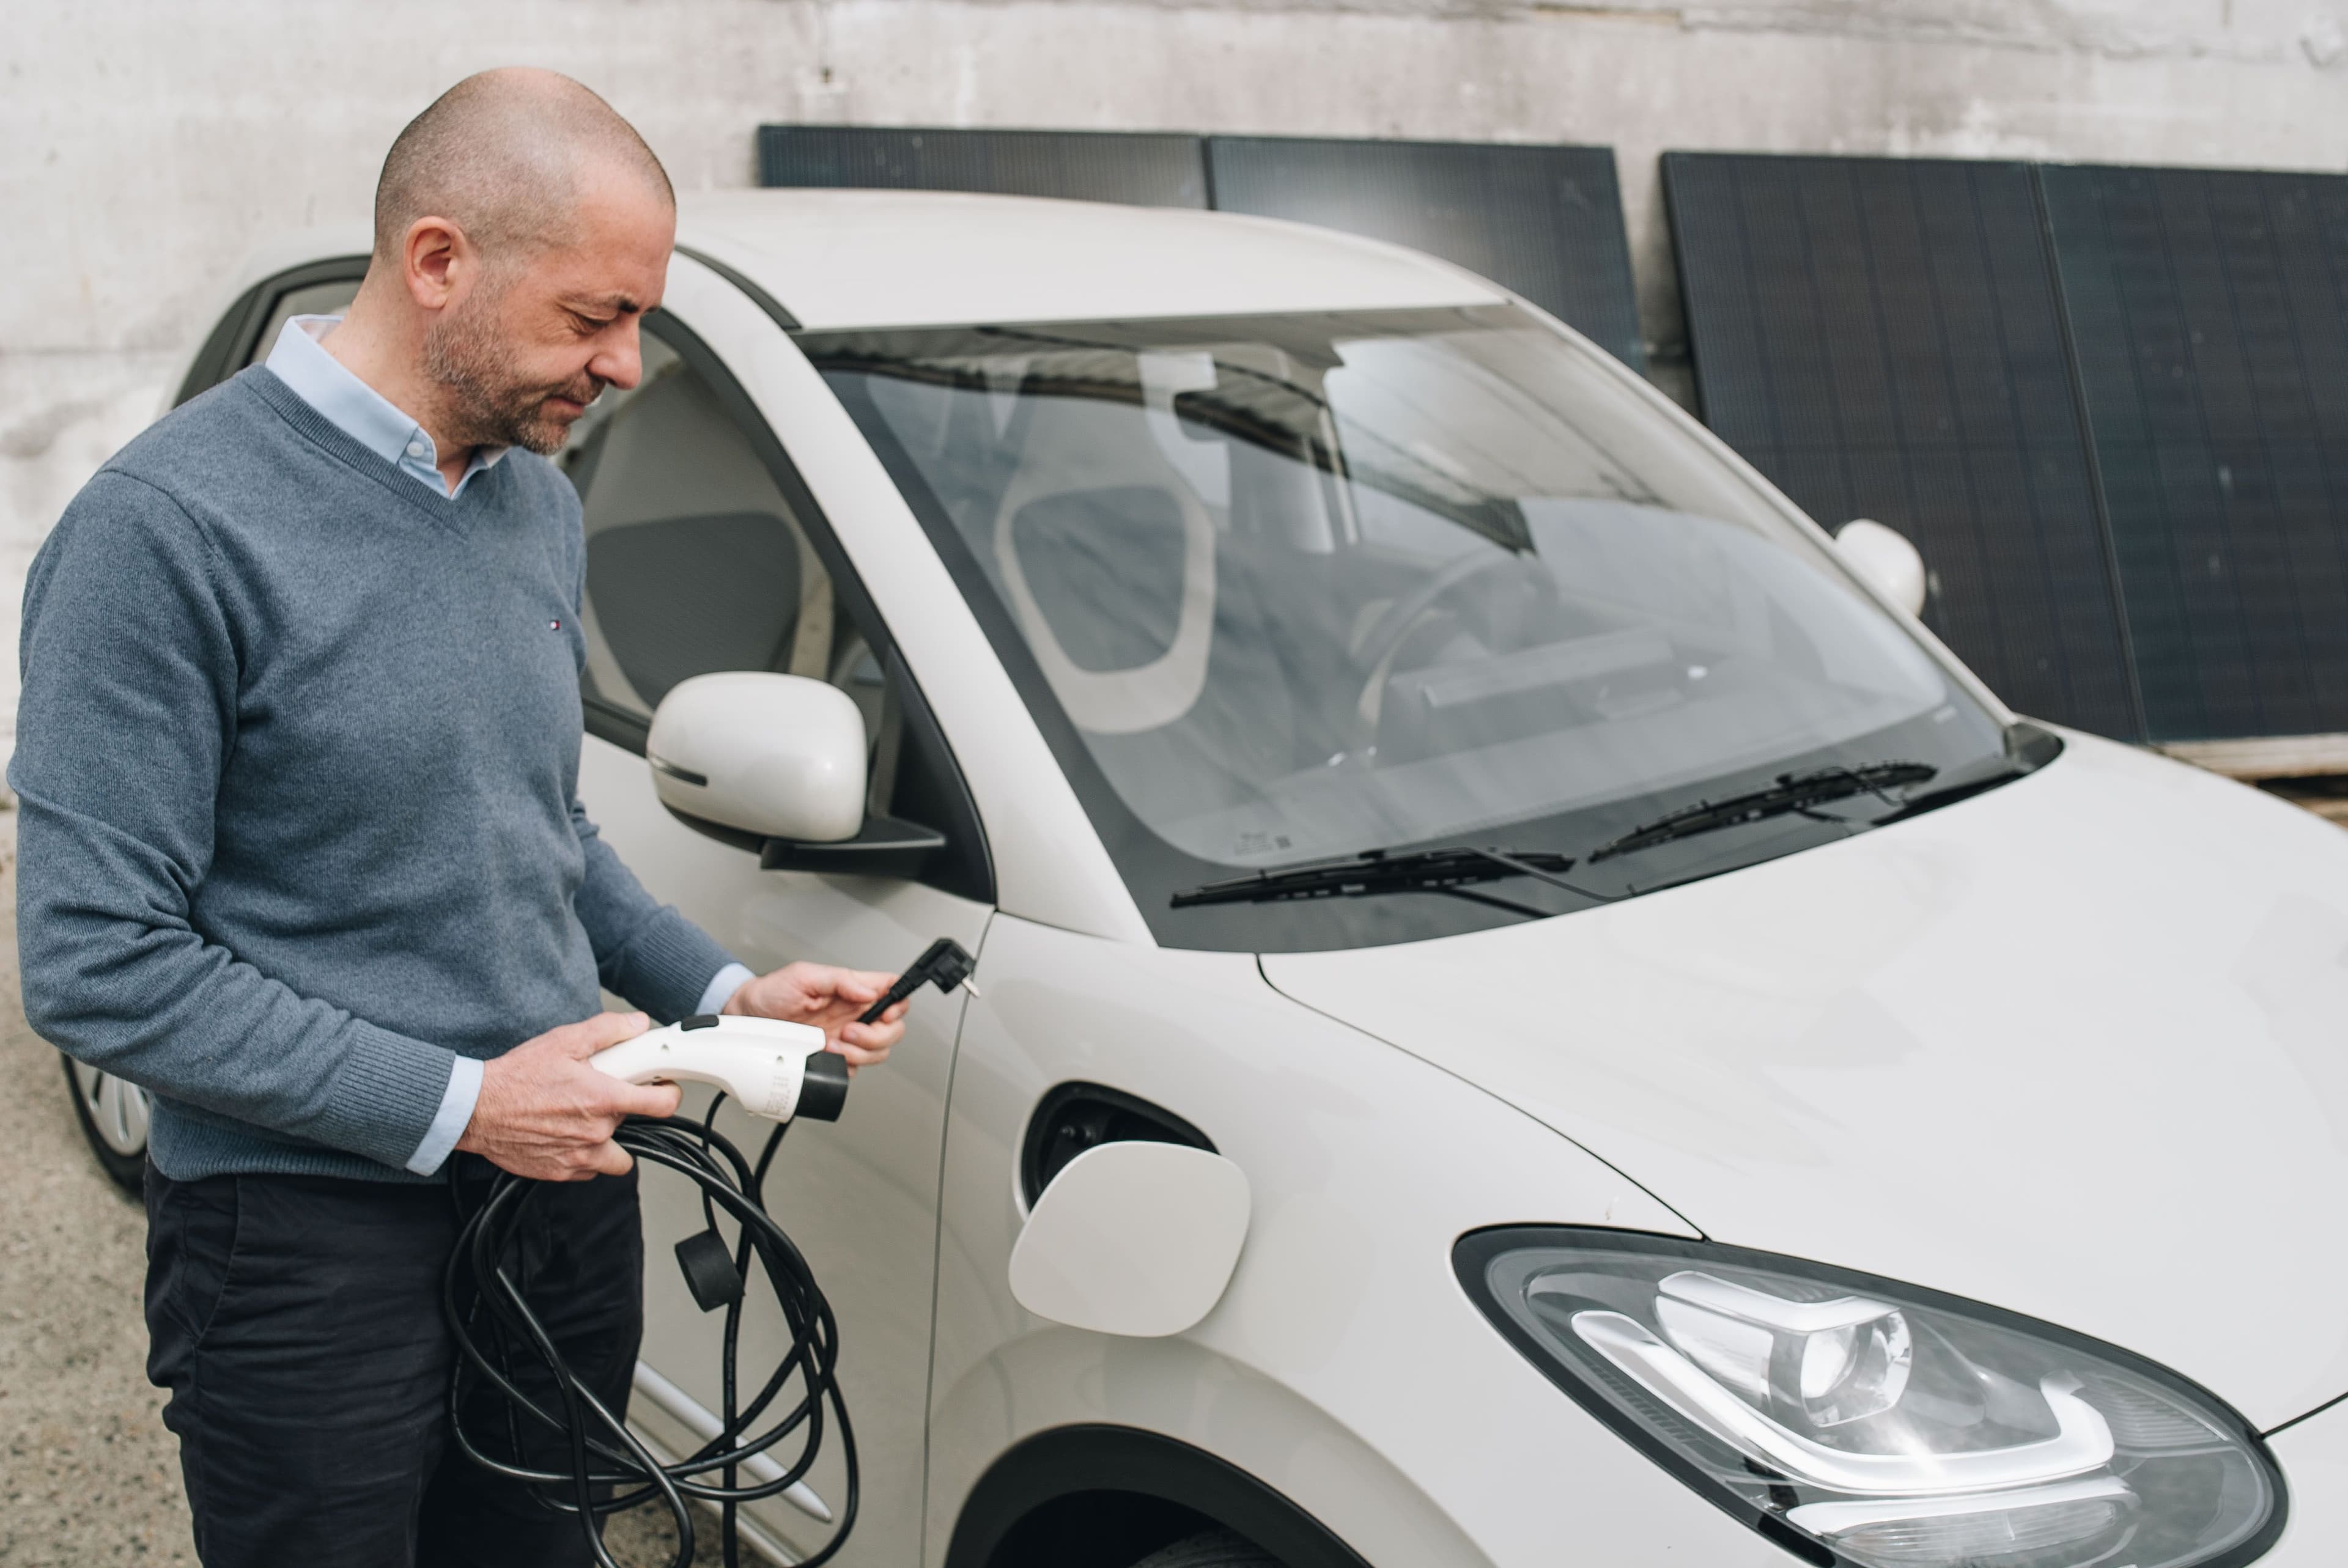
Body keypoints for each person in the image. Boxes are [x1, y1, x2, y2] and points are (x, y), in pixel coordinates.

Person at [11, 68, 907, 1566]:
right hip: (303, 1246)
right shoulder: (161, 533)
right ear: (440, 263)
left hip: (561, 1206)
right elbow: (98, 963)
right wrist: (465, 1101)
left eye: (637, 319)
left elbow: (537, 825)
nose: (625, 365)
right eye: (591, 316)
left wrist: (720, 990)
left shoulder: (533, 499)